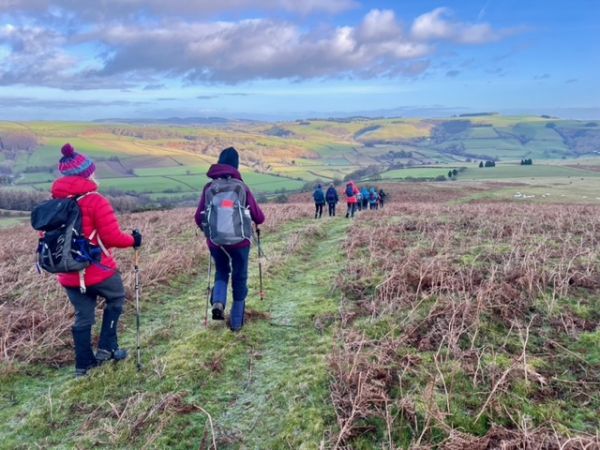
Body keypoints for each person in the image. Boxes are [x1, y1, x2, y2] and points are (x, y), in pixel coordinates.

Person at [51, 143, 141, 377]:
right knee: (116, 299)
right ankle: (107, 348)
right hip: (97, 270)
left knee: (84, 315)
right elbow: (112, 237)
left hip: (68, 274)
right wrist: (133, 240)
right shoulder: (95, 200)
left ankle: (83, 365)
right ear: (87, 173)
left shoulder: (54, 203)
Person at [195, 147, 265, 332]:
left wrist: (209, 231)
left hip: (216, 242)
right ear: (236, 165)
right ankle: (236, 323)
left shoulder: (209, 188)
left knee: (222, 271)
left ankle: (218, 301)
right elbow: (259, 216)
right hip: (240, 241)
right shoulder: (241, 187)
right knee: (239, 276)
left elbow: (198, 217)